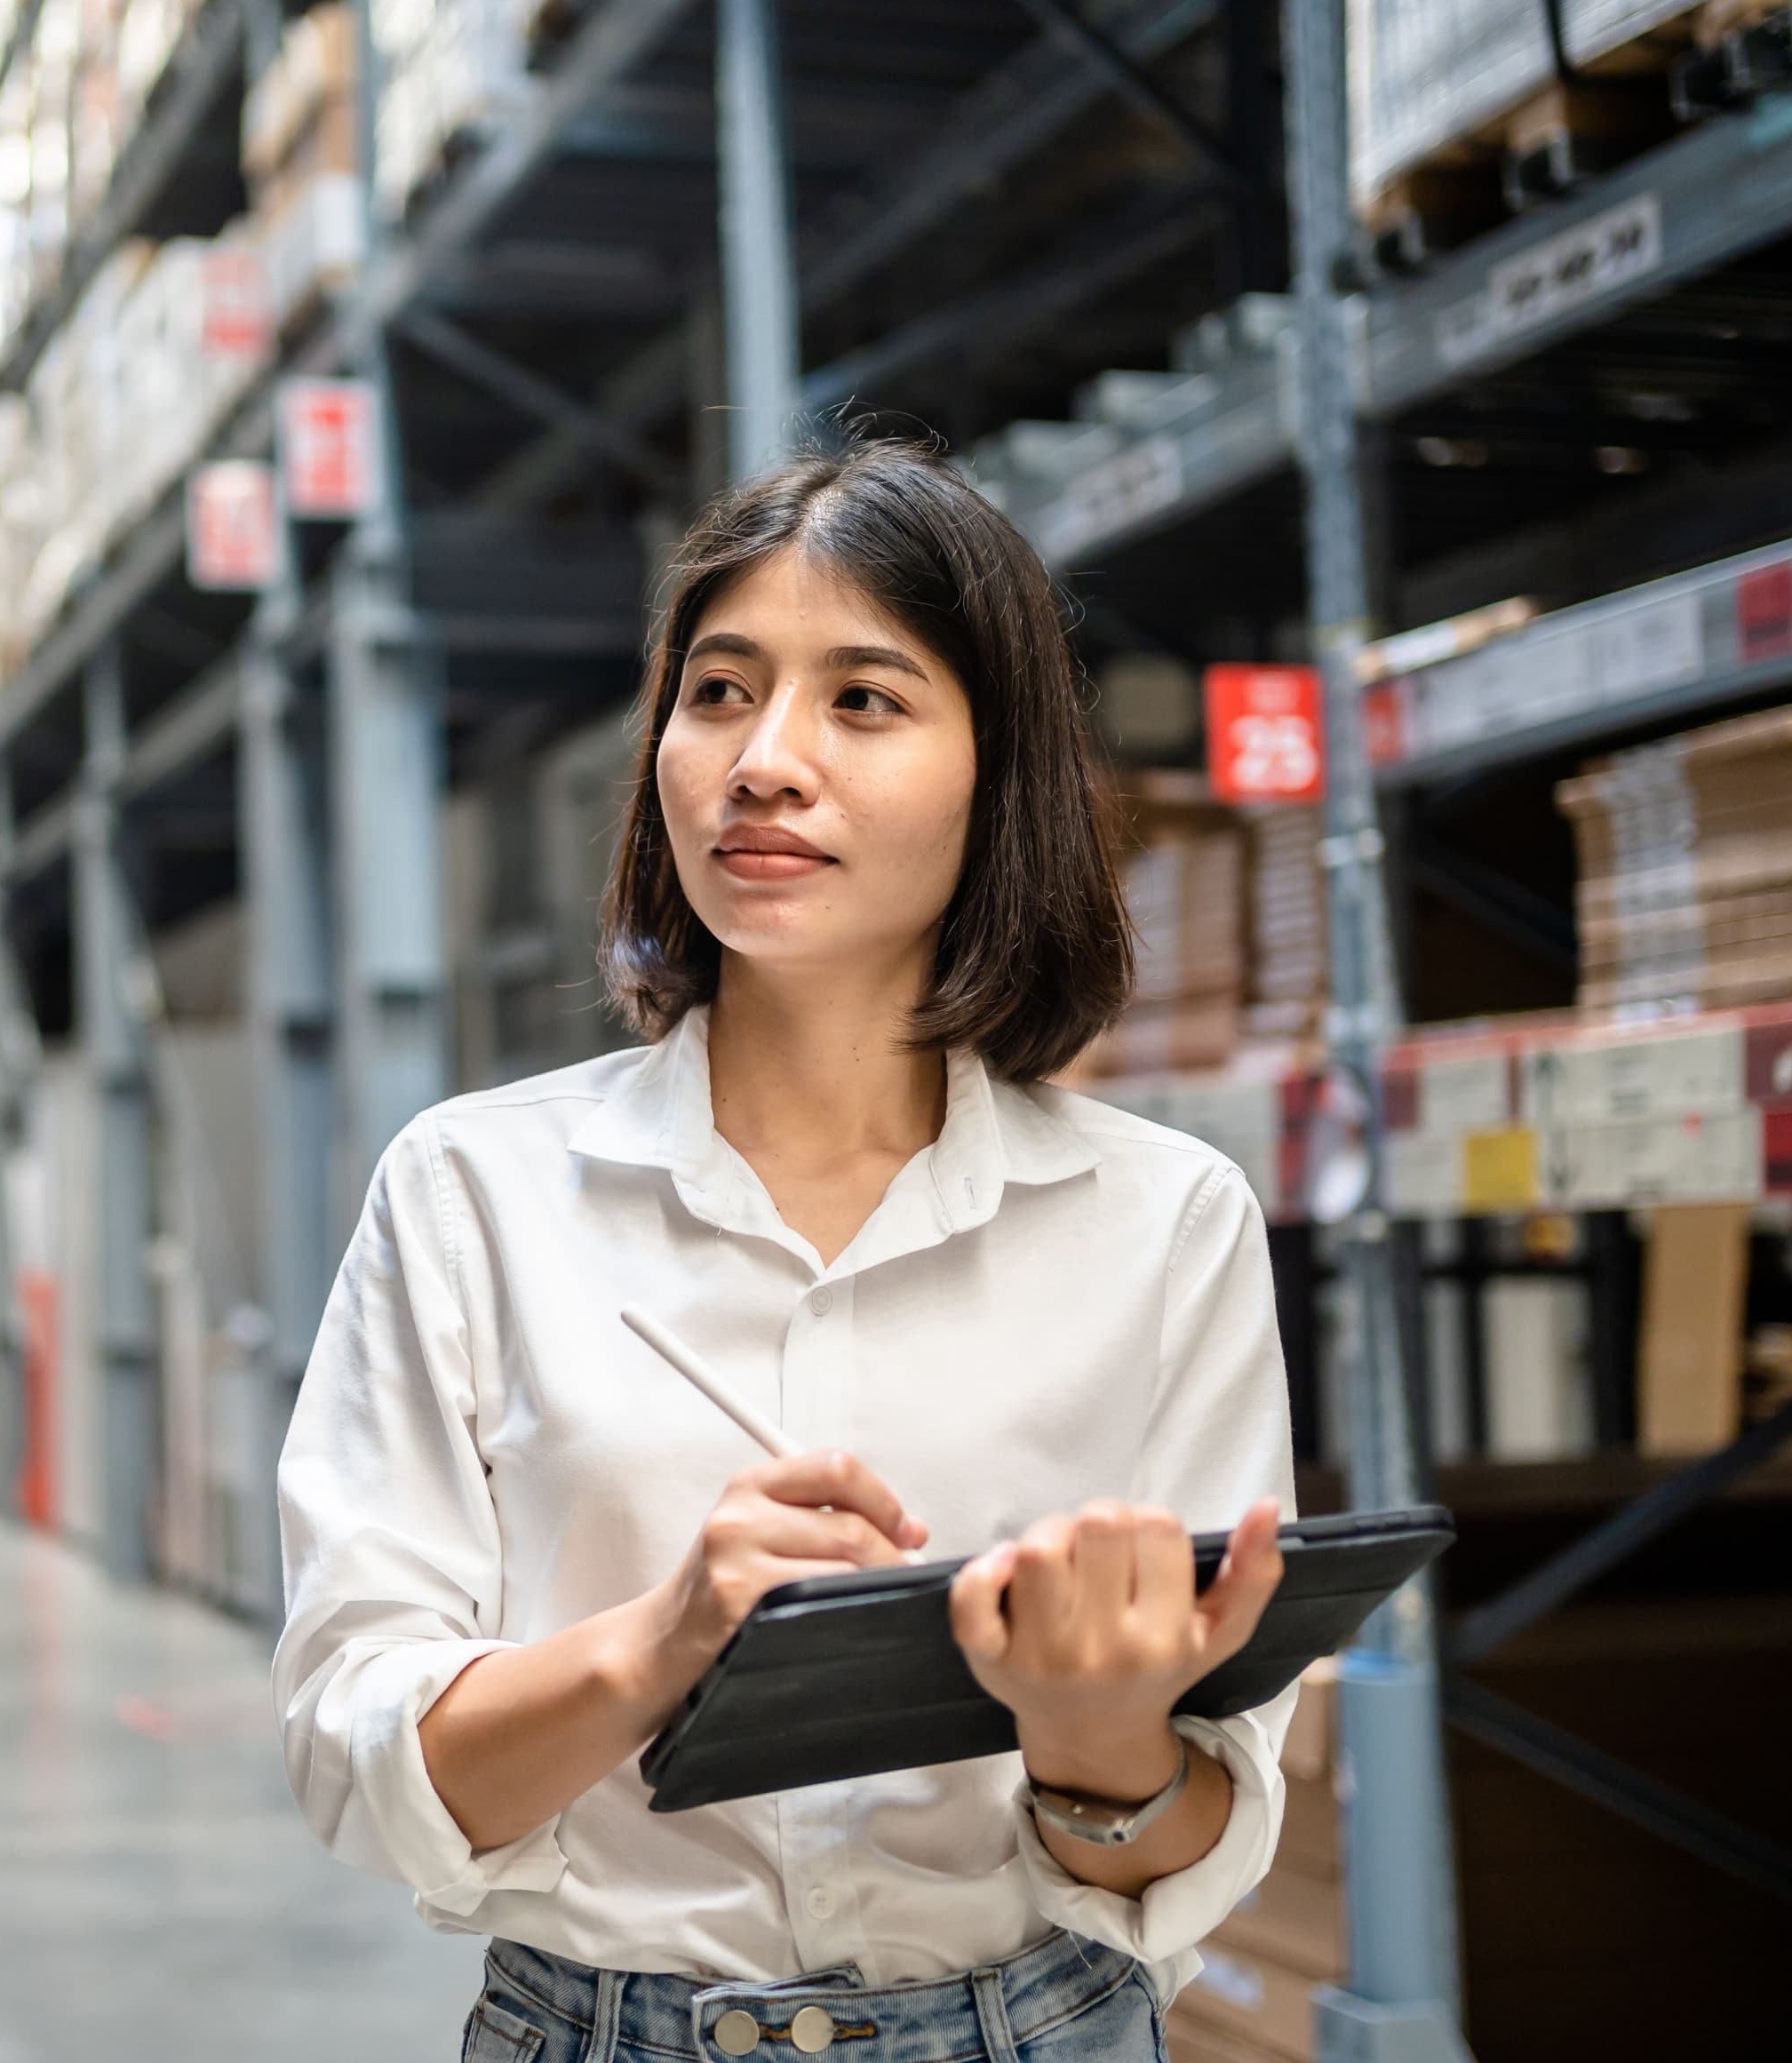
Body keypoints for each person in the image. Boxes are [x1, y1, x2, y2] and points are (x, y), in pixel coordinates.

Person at [276, 441, 1294, 2062]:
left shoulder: (1161, 1225)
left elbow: (1201, 1834)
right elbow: (356, 1756)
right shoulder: (475, 1192)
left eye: (865, 700)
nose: (764, 761)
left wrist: (1102, 1743)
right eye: (721, 692)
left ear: (998, 768)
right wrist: (659, 1641)